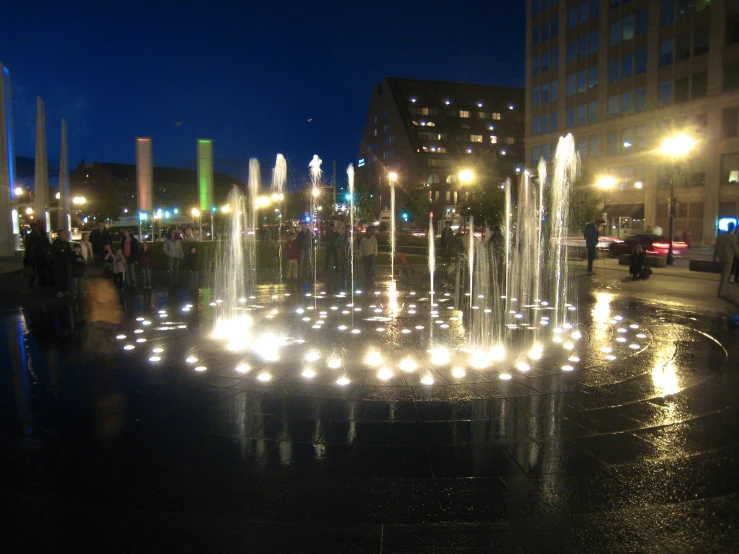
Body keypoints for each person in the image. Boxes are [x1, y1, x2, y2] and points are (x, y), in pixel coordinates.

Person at [714, 222, 739, 299]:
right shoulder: (733, 237)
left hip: (720, 258)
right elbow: (735, 249)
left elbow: (716, 247)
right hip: (728, 258)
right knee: (725, 275)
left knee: (723, 274)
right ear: (733, 228)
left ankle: (724, 290)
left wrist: (714, 256)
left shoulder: (720, 236)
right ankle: (721, 292)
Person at [51, 229, 72, 297]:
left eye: (64, 234)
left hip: (66, 263)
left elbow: (69, 252)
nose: (63, 236)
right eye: (61, 234)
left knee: (65, 276)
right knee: (59, 276)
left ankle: (65, 289)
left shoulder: (67, 244)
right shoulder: (56, 244)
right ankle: (59, 290)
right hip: (58, 263)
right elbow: (55, 254)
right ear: (59, 235)